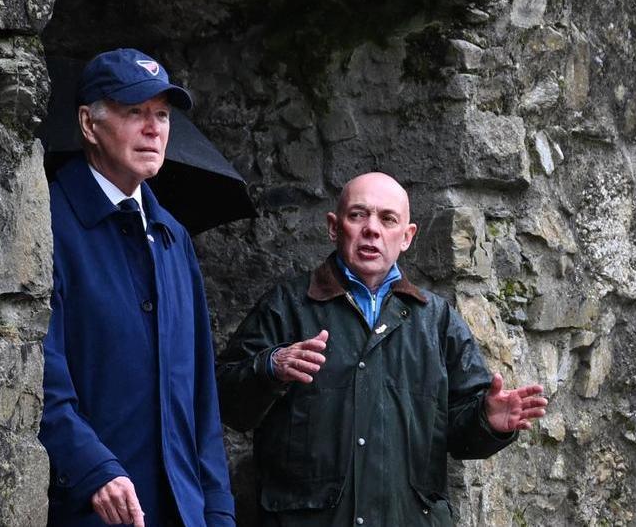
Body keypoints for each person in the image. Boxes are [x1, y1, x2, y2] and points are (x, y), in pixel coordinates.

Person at [216, 172, 548, 526]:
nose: (372, 229)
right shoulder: (286, 307)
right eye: (358, 215)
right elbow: (224, 399)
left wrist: (489, 421)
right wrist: (270, 367)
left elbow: (461, 435)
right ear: (333, 227)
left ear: (407, 237)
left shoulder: (437, 321)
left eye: (387, 219)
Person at [40, 48, 235, 527]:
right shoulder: (48, 224)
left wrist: (218, 511)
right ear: (89, 125)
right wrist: (92, 468)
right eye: (135, 113)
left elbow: (201, 400)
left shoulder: (173, 238)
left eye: (162, 115)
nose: (154, 129)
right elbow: (37, 373)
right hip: (92, 512)